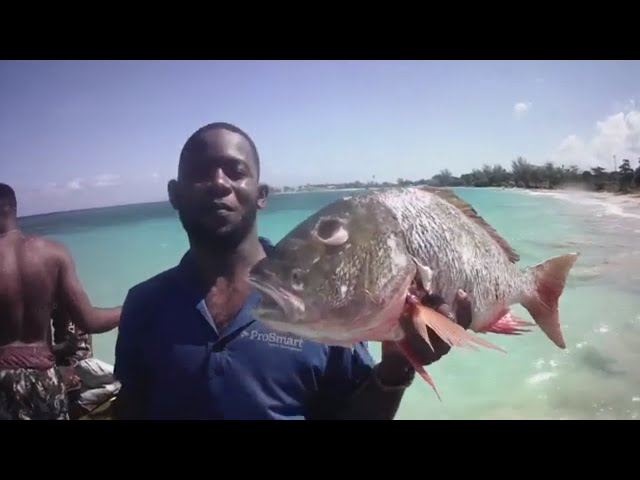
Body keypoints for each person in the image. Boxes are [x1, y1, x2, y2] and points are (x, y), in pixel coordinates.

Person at [112, 122, 472, 420]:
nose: (220, 183)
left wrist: (395, 367)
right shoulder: (144, 305)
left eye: (236, 171)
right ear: (175, 194)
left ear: (261, 193)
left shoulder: (326, 297)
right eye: (200, 173)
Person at [0, 183, 122, 420]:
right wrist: (128, 309)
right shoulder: (54, 253)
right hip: (45, 377)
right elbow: (89, 321)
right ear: (13, 208)